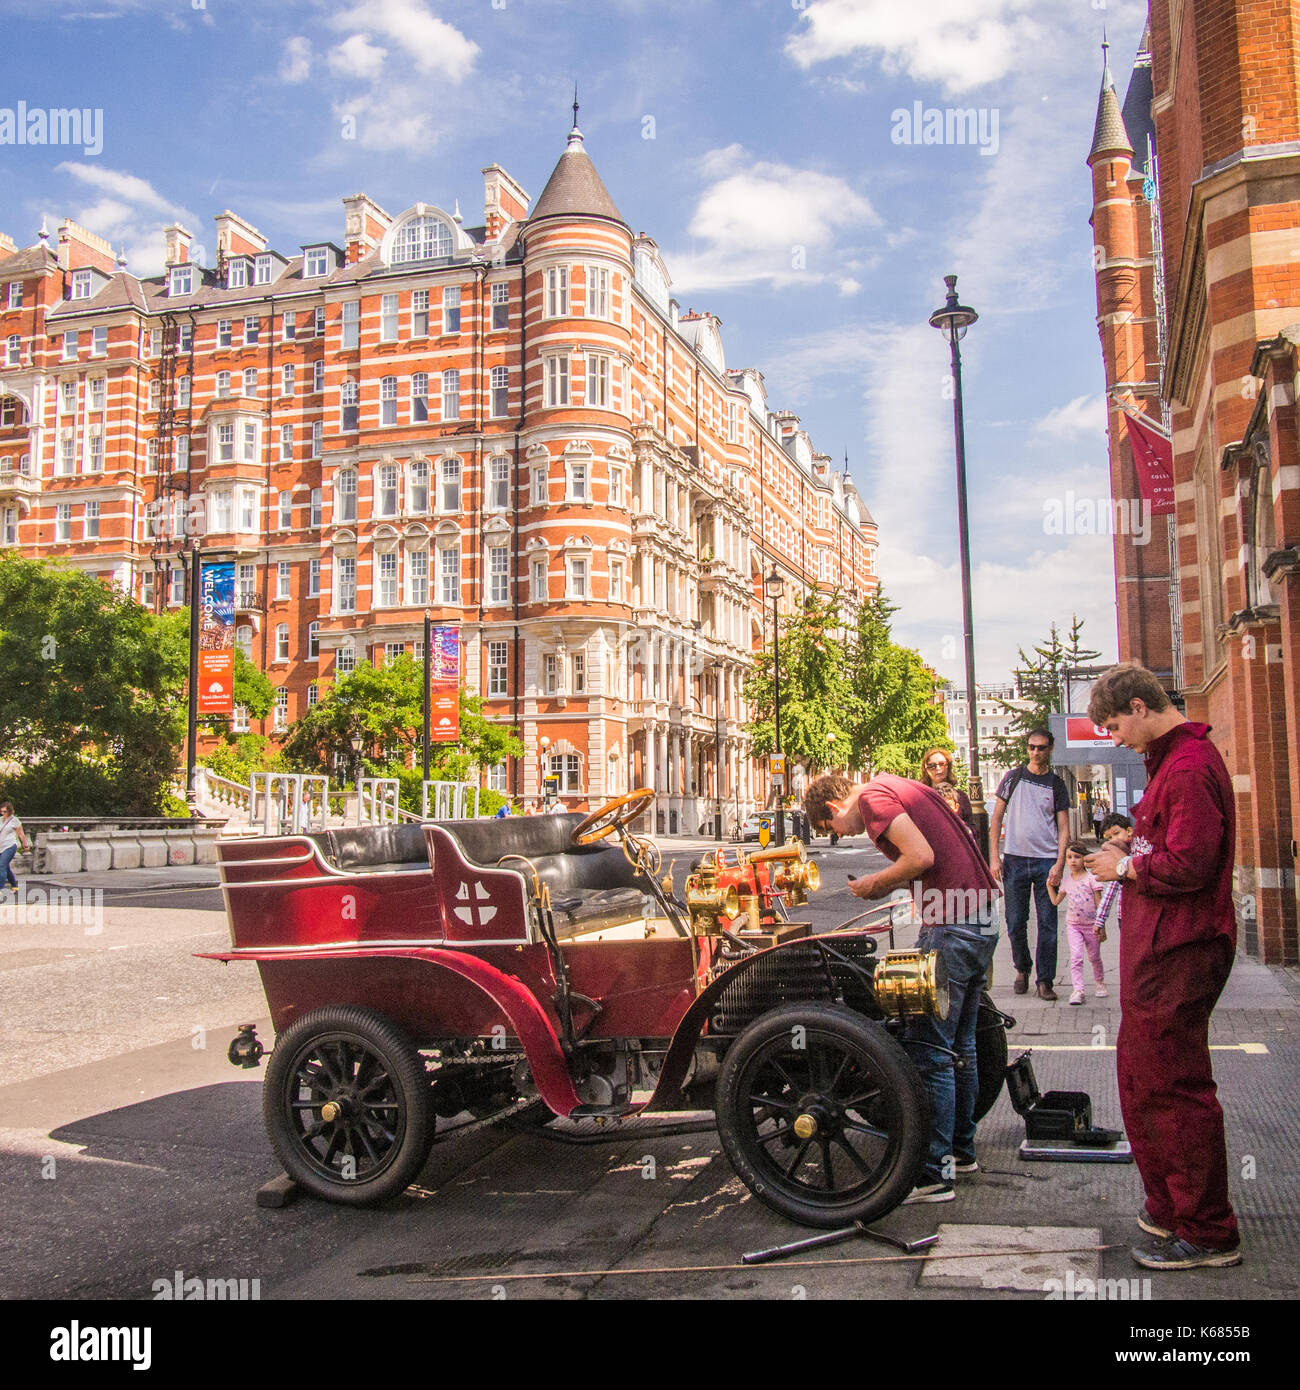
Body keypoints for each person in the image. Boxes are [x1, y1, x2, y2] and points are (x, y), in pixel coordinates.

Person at [1083, 662, 1241, 1270]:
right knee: (1144, 1079)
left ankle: (1207, 1231)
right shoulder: (1172, 763)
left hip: (1181, 949)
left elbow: (1192, 864)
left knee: (1174, 1088)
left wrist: (1123, 868)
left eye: (1116, 725)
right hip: (1160, 954)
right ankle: (1173, 1206)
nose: (1116, 737)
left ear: (1142, 709)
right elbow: (1167, 846)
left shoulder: (1190, 767)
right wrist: (1127, 848)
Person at [804, 771, 1000, 1204]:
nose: (839, 835)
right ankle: (959, 1155)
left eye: (829, 829)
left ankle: (933, 1175)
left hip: (952, 923)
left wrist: (876, 884)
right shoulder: (896, 785)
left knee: (930, 1050)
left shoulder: (874, 799)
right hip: (980, 918)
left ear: (833, 811)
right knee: (959, 1047)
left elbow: (921, 857)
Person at [988, 729, 1071, 1000]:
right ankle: (1022, 969)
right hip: (1014, 860)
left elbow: (1064, 828)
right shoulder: (1012, 778)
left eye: (1042, 748)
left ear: (1050, 750)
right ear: (1027, 749)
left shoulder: (1056, 784)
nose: (1036, 752)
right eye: (1032, 747)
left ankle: (1045, 980)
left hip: (1046, 861)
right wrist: (994, 857)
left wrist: (1060, 864)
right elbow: (996, 819)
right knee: (1014, 921)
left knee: (1048, 923)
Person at [1047, 840, 1106, 1005]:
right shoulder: (1066, 881)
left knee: (1094, 957)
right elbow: (1055, 901)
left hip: (1091, 926)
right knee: (1076, 957)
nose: (1073, 861)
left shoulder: (1092, 879)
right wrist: (1049, 887)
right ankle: (1078, 989)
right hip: (1073, 926)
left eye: (1077, 857)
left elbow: (1099, 903)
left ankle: (1099, 982)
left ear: (1084, 859)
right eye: (1069, 857)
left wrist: (1101, 925)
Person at [918, 747, 975, 831]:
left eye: (942, 764)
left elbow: (972, 829)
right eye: (932, 766)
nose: (938, 768)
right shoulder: (921, 798)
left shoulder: (961, 797)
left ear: (948, 766)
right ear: (926, 770)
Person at [1095, 812, 1132, 934]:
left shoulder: (1139, 854)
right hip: (1124, 915)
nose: (1114, 840)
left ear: (1129, 831)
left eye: (1116, 833)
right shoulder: (1114, 861)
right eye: (1109, 838)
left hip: (1143, 914)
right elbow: (1109, 893)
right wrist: (1100, 920)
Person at [0, 801, 32, 902]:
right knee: (5, 867)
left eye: (5, 811)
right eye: (1, 811)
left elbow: (21, 834)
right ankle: (14, 886)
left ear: (9, 811)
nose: (3, 813)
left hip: (10, 846)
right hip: (0, 847)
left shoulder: (15, 821)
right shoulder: (0, 820)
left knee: (1, 866)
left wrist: (25, 844)